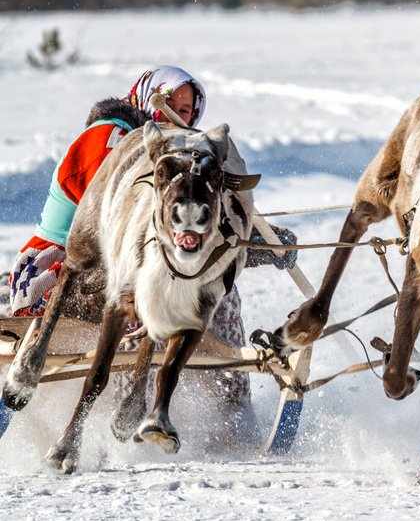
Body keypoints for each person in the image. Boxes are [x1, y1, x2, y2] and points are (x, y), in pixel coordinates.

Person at [7, 65, 295, 450]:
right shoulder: (110, 137)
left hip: (127, 264)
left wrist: (256, 244)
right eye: (169, 102)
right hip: (62, 266)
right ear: (146, 99)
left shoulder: (180, 159)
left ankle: (234, 421)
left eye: (188, 110)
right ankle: (125, 432)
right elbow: (112, 224)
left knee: (221, 296)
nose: (178, 113)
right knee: (140, 297)